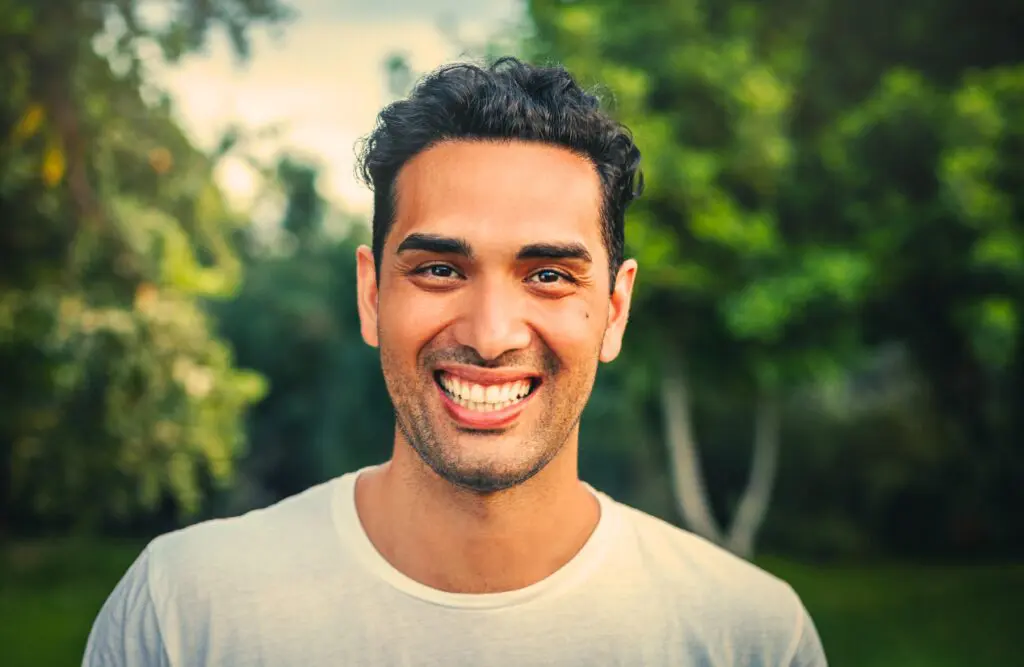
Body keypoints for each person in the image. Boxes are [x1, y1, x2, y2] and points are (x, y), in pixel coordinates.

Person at [82, 57, 828, 666]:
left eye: (548, 275)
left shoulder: (749, 637)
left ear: (614, 309)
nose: (493, 332)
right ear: (372, 294)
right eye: (440, 269)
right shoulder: (184, 614)